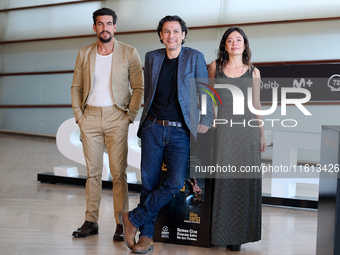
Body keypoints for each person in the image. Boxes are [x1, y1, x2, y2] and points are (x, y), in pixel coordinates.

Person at [118, 15, 213, 253]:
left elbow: (205, 92)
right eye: (166, 31)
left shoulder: (195, 57)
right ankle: (146, 237)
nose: (171, 35)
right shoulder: (152, 57)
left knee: (173, 183)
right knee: (149, 184)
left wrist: (207, 118)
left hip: (180, 131)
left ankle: (133, 218)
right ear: (161, 35)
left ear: (183, 34)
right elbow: (149, 91)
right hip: (152, 127)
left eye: (176, 31)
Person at [70, 7, 144, 241]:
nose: (105, 28)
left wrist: (129, 115)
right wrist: (79, 117)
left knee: (118, 173)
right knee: (92, 173)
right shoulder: (84, 53)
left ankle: (121, 223)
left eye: (109, 23)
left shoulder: (129, 52)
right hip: (89, 117)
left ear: (115, 26)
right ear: (95, 27)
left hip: (117, 118)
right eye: (100, 24)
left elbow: (139, 87)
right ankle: (90, 221)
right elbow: (76, 88)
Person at [208, 27, 266, 251]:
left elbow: (257, 104)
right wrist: (212, 120)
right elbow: (209, 97)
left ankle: (238, 237)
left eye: (238, 39)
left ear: (245, 44)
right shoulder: (215, 67)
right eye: (230, 40)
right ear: (224, 45)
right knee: (224, 181)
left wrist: (262, 133)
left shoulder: (254, 72)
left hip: (248, 132)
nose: (234, 43)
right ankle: (219, 233)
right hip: (224, 132)